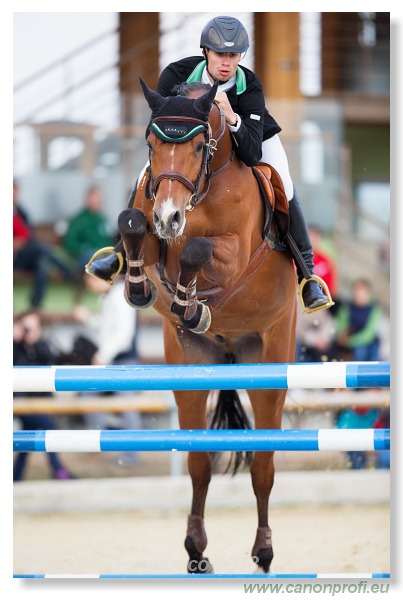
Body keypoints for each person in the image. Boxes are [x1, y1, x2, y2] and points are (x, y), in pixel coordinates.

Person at [86, 15, 333, 314]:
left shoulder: (249, 85)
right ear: (206, 52)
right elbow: (156, 129)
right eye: (220, 54)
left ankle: (308, 276)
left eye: (233, 55)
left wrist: (232, 118)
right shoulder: (176, 74)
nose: (226, 62)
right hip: (188, 145)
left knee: (285, 181)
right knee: (146, 173)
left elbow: (253, 153)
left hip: (252, 137)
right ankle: (120, 255)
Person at [13, 310, 75, 481]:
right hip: (22, 404)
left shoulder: (42, 345)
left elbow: (51, 359)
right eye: (26, 327)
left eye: (34, 327)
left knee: (29, 438)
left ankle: (15, 476)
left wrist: (36, 342)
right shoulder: (15, 348)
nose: (30, 331)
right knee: (48, 429)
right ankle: (58, 470)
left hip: (42, 402)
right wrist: (15, 341)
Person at [13, 179, 74, 308]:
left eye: (15, 192)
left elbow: (28, 235)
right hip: (15, 256)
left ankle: (35, 303)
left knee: (42, 262)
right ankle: (69, 273)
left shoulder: (20, 212)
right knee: (42, 250)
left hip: (26, 253)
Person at [63, 185, 115, 276]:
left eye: (99, 198)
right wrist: (86, 249)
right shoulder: (78, 220)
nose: (97, 201)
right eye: (94, 198)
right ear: (88, 199)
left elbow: (109, 241)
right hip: (86, 258)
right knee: (98, 259)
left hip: (105, 256)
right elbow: (70, 244)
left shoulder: (103, 219)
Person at [335, 278, 382, 362]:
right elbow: (340, 326)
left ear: (368, 294)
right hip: (346, 344)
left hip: (367, 345)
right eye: (356, 290)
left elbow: (368, 334)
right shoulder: (346, 308)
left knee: (361, 351)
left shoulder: (373, 310)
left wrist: (350, 341)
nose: (358, 293)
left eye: (361, 291)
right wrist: (342, 335)